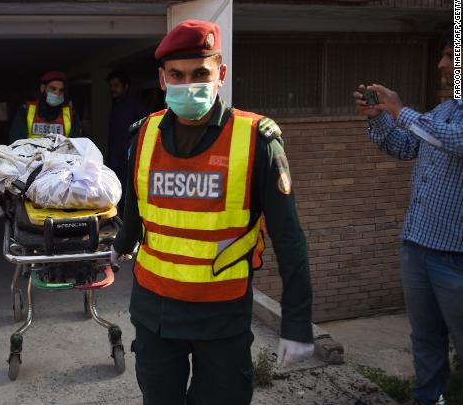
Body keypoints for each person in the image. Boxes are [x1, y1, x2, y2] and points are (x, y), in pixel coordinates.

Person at [110, 20, 314, 405]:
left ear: (220, 74)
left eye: (199, 73)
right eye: (177, 75)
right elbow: (136, 209)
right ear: (162, 79)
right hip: (154, 312)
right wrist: (119, 245)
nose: (189, 84)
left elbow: (289, 238)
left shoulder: (256, 140)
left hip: (221, 317)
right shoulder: (143, 135)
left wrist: (297, 322)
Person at [353, 29, 462, 405]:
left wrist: (401, 110)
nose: (443, 65)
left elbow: (454, 141)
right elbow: (404, 146)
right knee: (426, 339)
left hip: (455, 256)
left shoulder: (447, 121)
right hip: (417, 247)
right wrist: (379, 118)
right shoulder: (444, 110)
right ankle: (428, 399)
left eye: (452, 56)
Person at [105, 70, 149, 198]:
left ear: (126, 86)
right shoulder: (116, 106)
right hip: (115, 160)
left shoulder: (136, 106)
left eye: (116, 86)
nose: (113, 89)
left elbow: (145, 129)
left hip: (129, 161)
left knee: (128, 196)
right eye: (111, 86)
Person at [9, 70, 81, 142]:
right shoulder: (26, 110)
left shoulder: (71, 113)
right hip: (32, 152)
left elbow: (76, 144)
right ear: (43, 88)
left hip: (61, 153)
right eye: (53, 89)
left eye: (61, 90)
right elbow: (16, 141)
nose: (57, 93)